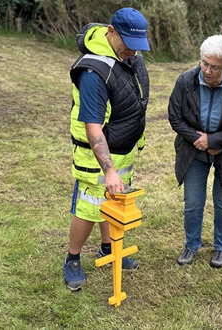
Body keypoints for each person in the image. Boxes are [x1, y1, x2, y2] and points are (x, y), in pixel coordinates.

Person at [64, 7, 150, 291]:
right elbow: (93, 126)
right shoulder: (93, 72)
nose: (133, 52)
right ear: (111, 32)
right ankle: (72, 258)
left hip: (123, 151)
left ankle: (108, 248)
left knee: (112, 203)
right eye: (128, 45)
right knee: (89, 208)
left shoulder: (129, 56)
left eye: (138, 47)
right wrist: (109, 169)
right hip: (96, 158)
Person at [168, 35, 222, 268]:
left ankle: (221, 247)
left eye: (215, 67)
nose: (207, 70)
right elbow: (175, 118)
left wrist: (216, 140)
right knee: (193, 202)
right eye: (204, 63)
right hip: (193, 150)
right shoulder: (186, 81)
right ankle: (191, 244)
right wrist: (200, 140)